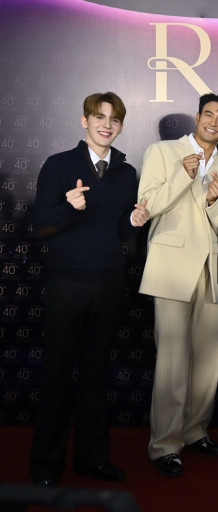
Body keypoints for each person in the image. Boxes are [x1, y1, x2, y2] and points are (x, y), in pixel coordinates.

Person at [30, 92, 150, 485]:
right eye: (99, 117)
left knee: (96, 375)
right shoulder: (59, 165)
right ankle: (46, 466)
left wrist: (134, 221)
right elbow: (42, 227)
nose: (106, 125)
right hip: (67, 283)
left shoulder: (125, 172)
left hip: (109, 282)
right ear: (85, 121)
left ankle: (92, 459)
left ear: (121, 126)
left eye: (114, 119)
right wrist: (70, 208)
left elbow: (119, 230)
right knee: (58, 375)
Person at [138, 93, 218, 477]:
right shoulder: (163, 151)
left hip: (211, 268)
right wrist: (184, 175)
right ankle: (165, 444)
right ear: (197, 117)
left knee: (208, 360)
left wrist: (214, 203)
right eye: (208, 114)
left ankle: (196, 431)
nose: (213, 122)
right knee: (173, 360)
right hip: (172, 267)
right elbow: (147, 206)